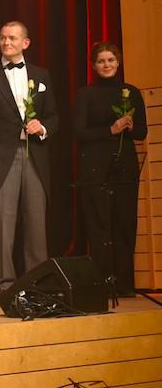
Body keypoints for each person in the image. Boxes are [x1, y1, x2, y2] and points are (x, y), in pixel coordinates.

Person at [0, 21, 59, 299]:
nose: (6, 42)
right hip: (0, 159)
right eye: (2, 38)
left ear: (25, 43)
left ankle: (37, 284)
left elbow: (53, 116)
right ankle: (4, 288)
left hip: (34, 155)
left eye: (12, 38)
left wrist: (42, 127)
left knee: (36, 224)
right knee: (2, 225)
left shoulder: (41, 75)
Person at [73, 41, 146, 297]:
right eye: (101, 61)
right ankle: (100, 283)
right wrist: (110, 130)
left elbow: (142, 132)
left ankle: (123, 283)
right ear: (94, 65)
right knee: (99, 225)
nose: (107, 65)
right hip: (95, 164)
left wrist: (129, 128)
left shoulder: (132, 92)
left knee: (125, 223)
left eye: (111, 60)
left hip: (125, 162)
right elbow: (78, 133)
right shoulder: (86, 93)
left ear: (118, 62)